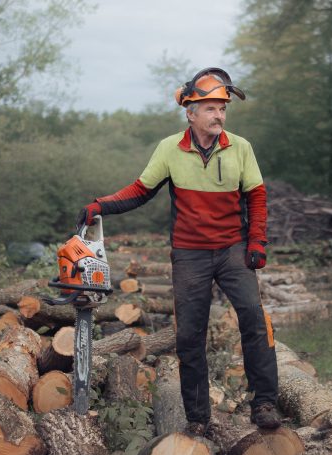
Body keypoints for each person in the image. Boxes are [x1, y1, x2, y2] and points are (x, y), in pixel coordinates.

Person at [79, 67, 280, 435]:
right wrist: (101, 205)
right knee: (189, 334)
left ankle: (265, 402)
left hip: (233, 248)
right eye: (210, 109)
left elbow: (257, 197)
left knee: (253, 317)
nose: (219, 115)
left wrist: (257, 242)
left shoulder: (241, 148)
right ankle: (198, 418)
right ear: (191, 113)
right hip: (190, 253)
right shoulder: (170, 149)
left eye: (222, 109)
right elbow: (140, 191)